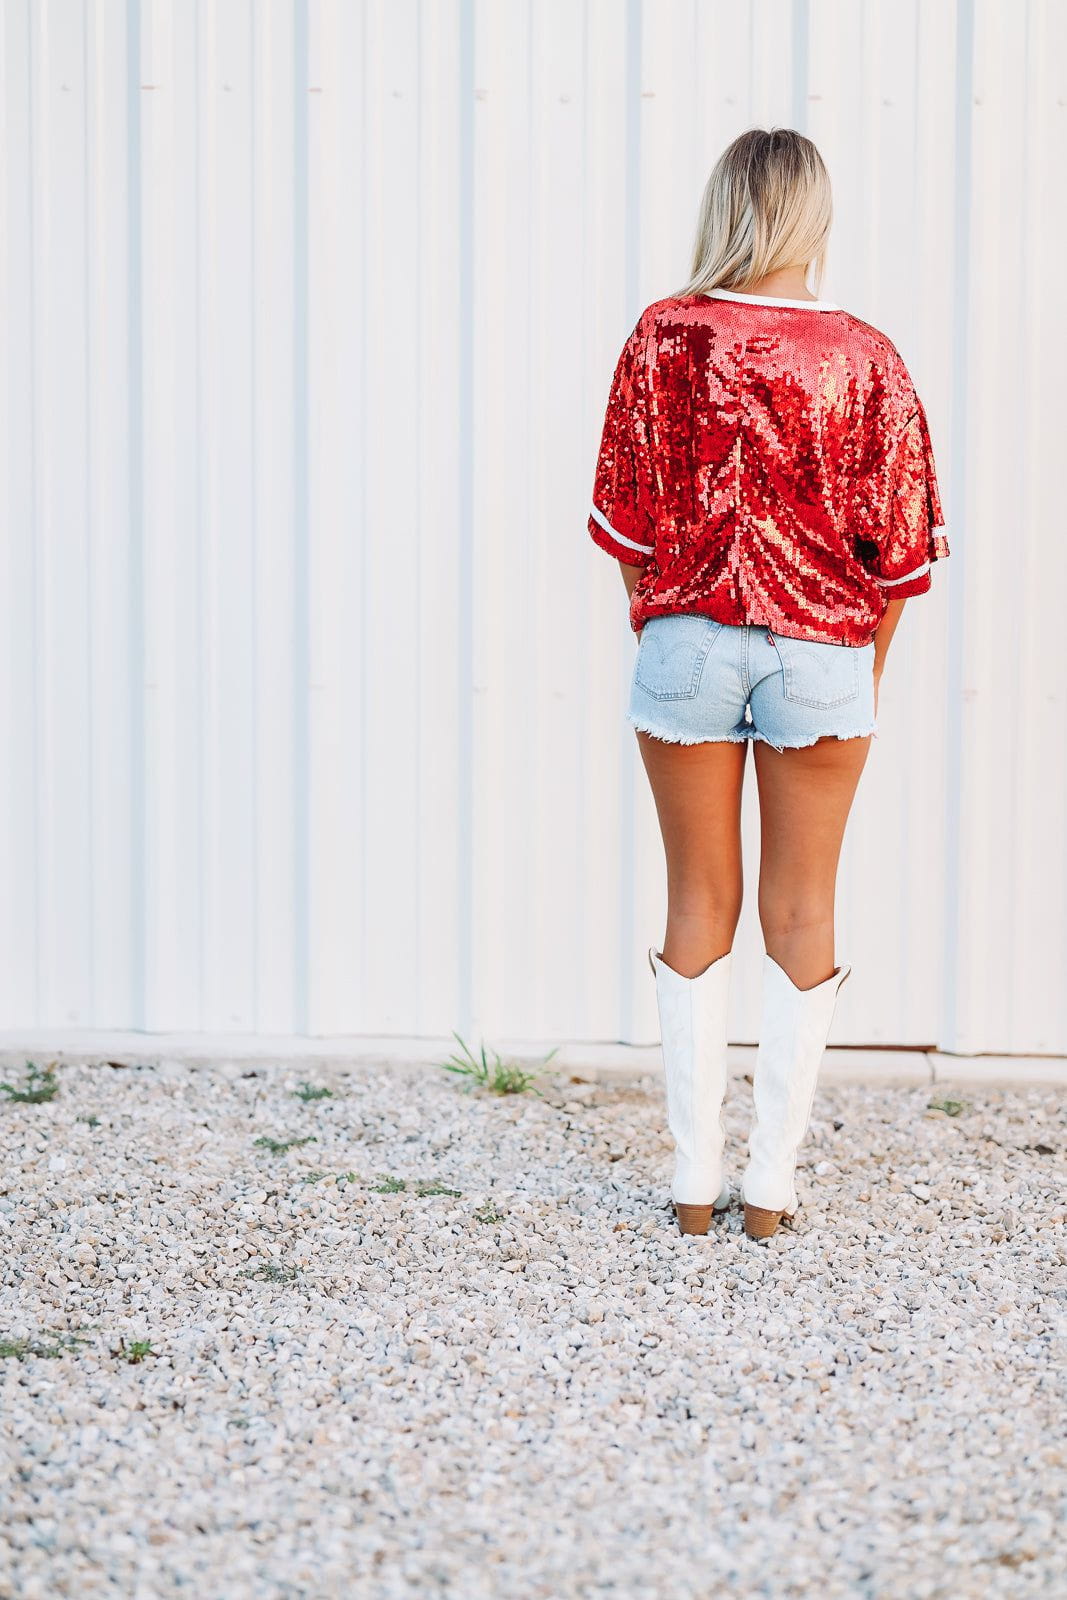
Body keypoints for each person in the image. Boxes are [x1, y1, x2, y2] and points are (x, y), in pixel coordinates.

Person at [587, 127, 950, 1241]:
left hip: (684, 641)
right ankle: (773, 1194)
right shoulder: (866, 358)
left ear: (724, 209)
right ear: (813, 219)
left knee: (696, 902)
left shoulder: (662, 336)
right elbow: (902, 558)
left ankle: (693, 1187)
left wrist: (664, 635)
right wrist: (853, 670)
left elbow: (626, 528)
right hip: (821, 654)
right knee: (803, 910)